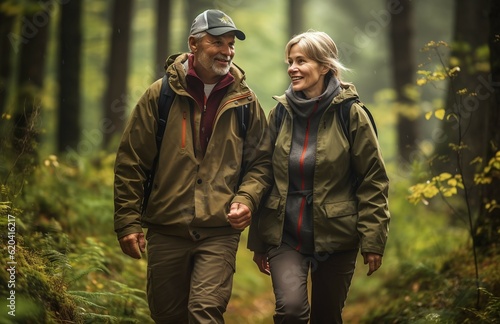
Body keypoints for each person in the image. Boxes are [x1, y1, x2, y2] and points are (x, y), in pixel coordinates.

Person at [114, 9, 272, 323]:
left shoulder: (246, 101)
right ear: (194, 44)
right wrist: (128, 222)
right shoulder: (159, 96)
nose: (227, 51)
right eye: (217, 42)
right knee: (168, 317)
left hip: (219, 230)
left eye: (231, 44)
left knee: (204, 312)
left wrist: (246, 199)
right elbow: (132, 162)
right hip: (166, 228)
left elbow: (262, 163)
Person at [248, 30, 390, 323]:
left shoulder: (351, 113)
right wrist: (260, 241)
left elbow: (372, 180)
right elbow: (263, 173)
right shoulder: (280, 113)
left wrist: (373, 240)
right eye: (290, 61)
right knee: (290, 311)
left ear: (324, 66)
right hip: (286, 236)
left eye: (301, 61)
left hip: (336, 237)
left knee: (327, 316)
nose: (292, 68)